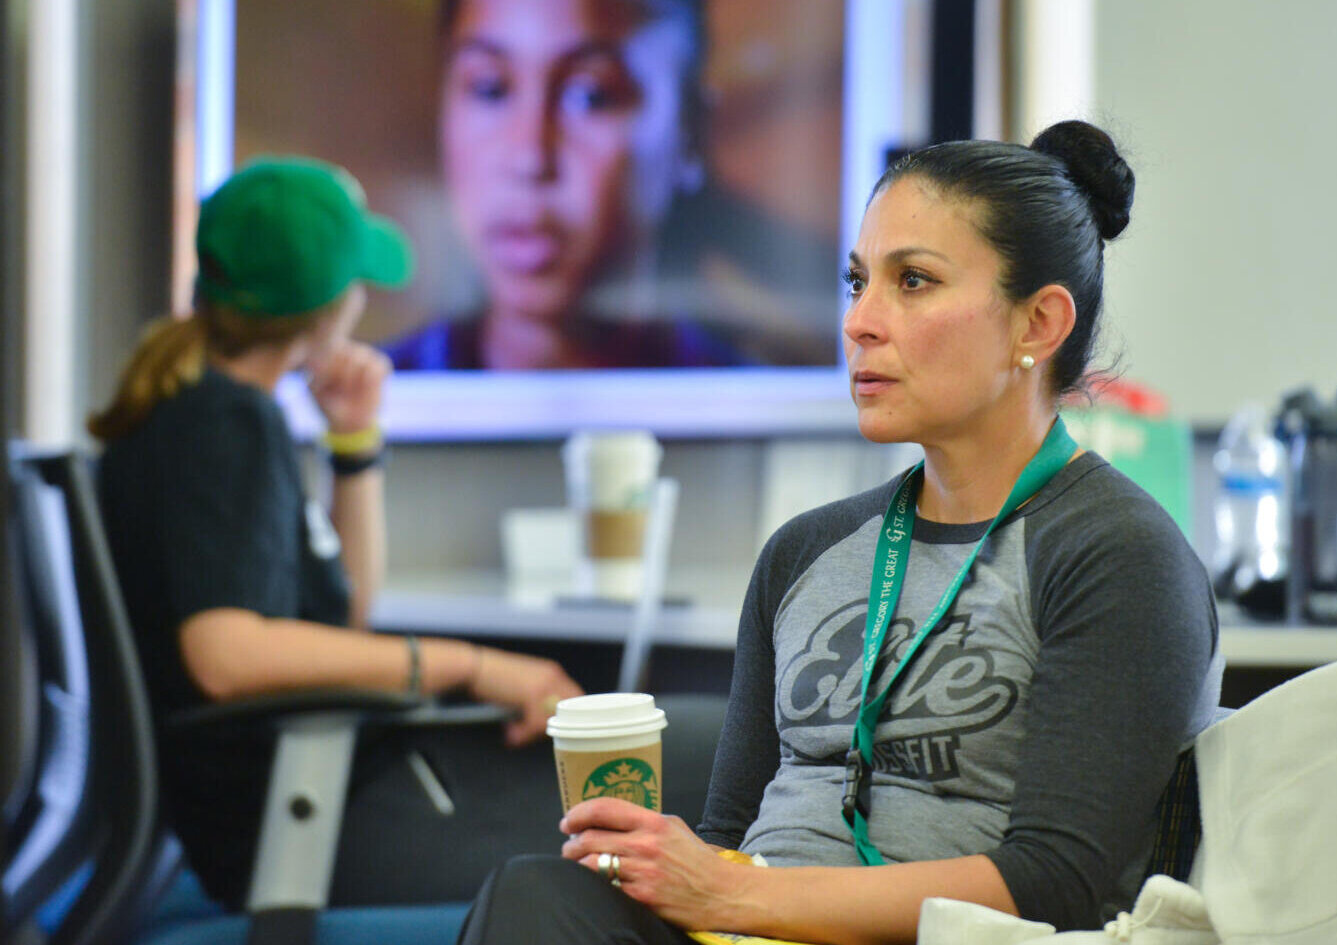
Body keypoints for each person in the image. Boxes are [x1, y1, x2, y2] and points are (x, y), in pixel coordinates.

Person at [457, 120, 1223, 943]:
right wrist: (693, 879)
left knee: (537, 908)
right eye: (856, 282)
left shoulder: (1117, 554)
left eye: (915, 282)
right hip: (746, 930)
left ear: (1037, 324)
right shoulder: (805, 553)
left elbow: (1055, 885)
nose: (861, 320)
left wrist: (727, 895)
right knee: (535, 894)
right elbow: (729, 838)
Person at [90, 156, 584, 908]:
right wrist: (473, 664)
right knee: (597, 860)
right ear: (327, 308)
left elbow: (340, 617)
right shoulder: (225, 427)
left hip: (303, 798)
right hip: (296, 824)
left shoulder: (200, 410)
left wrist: (354, 447)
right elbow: (226, 654)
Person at [382, 0, 840, 370]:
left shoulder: (749, 399)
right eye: (490, 88)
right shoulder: (360, 402)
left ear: (691, 130)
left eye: (590, 96)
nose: (529, 158)